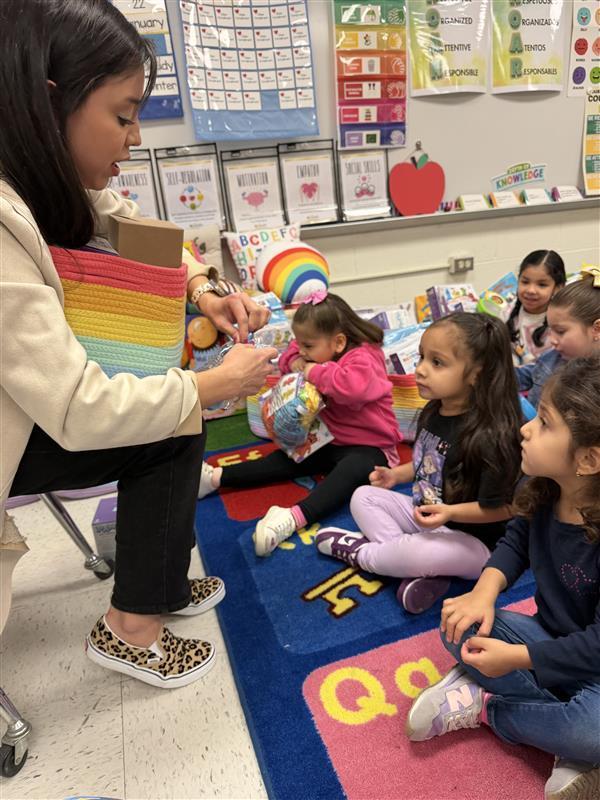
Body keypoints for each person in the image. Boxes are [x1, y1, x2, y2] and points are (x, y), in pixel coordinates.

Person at [0, 0, 278, 689]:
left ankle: (152, 591)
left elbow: (127, 223)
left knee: (173, 413)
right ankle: (131, 628)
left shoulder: (38, 181)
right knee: (173, 413)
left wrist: (205, 285)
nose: (133, 139)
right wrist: (215, 385)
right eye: (122, 116)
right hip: (26, 427)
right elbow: (79, 410)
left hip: (31, 412)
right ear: (47, 103)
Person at [405, 356, 600, 800]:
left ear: (588, 459)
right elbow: (514, 543)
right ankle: (564, 740)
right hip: (551, 640)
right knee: (460, 624)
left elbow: (597, 646)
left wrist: (516, 660)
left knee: (594, 731)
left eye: (544, 423)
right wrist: (482, 593)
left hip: (592, 661)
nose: (526, 428)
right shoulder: (545, 485)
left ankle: (488, 708)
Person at [316, 313, 522, 614]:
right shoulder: (435, 412)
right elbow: (430, 460)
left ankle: (362, 554)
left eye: (437, 363)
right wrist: (395, 475)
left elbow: (505, 508)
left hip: (478, 545)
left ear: (477, 373)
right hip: (430, 519)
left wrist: (449, 512)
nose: (421, 370)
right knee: (362, 496)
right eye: (422, 358)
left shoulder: (491, 436)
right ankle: (412, 568)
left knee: (417, 551)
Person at [199, 290, 402, 557]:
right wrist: (296, 359)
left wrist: (310, 370)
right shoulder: (319, 344)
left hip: (372, 448)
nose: (302, 350)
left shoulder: (365, 357)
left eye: (308, 347)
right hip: (330, 439)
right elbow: (290, 355)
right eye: (301, 344)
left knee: (351, 472)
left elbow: (351, 387)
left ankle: (294, 517)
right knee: (289, 457)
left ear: (339, 342)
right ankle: (216, 478)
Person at [516, 269, 600, 408]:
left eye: (560, 331)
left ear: (597, 329)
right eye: (550, 329)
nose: (552, 339)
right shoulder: (552, 358)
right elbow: (529, 374)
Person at [506, 249, 566, 366]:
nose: (531, 290)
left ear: (558, 287)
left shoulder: (559, 324)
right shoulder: (507, 312)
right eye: (525, 282)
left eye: (542, 285)